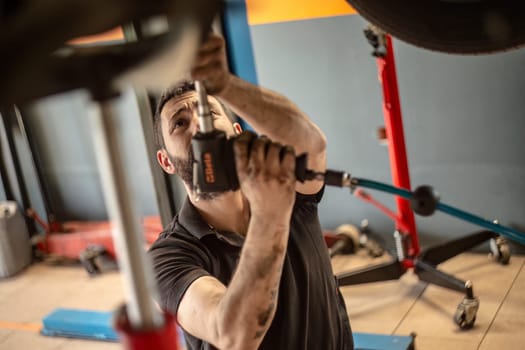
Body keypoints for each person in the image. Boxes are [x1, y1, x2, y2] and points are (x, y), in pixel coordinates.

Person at [148, 32, 353, 350]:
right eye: (179, 123)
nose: (201, 126)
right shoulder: (169, 257)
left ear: (236, 131)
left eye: (212, 114)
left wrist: (224, 84)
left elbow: (313, 144)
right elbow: (233, 334)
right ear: (166, 162)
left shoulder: (289, 189)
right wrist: (271, 214)